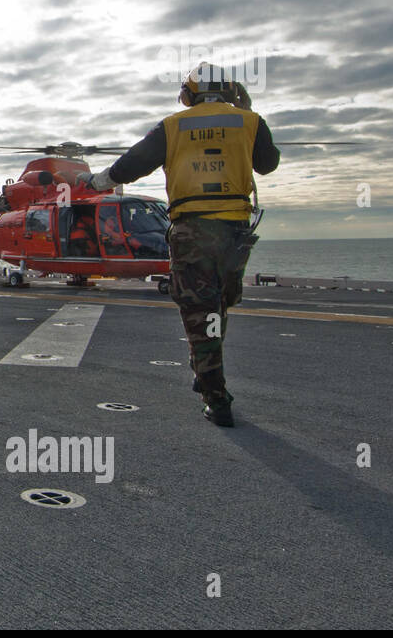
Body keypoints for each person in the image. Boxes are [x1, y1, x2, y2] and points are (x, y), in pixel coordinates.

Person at [79, 63, 279, 427]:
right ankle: (205, 370)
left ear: (188, 94)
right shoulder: (249, 122)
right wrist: (247, 112)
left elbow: (130, 165)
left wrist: (95, 182)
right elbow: (268, 165)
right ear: (231, 91)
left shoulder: (173, 126)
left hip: (191, 231)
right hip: (234, 231)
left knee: (197, 309)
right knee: (219, 302)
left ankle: (215, 398)